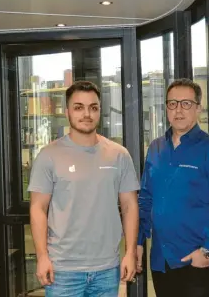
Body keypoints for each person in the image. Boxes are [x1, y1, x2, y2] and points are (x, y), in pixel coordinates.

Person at [28, 81, 140, 296]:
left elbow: (130, 206)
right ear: (67, 111)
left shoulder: (119, 154)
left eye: (93, 107)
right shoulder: (49, 155)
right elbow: (38, 208)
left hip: (107, 268)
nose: (87, 114)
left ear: (100, 111)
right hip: (62, 270)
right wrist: (42, 257)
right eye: (79, 107)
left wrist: (130, 252)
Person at [137, 78, 209, 297]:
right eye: (172, 103)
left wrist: (207, 250)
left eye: (186, 103)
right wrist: (139, 241)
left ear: (198, 107)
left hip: (197, 261)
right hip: (162, 260)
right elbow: (146, 198)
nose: (178, 110)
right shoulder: (156, 148)